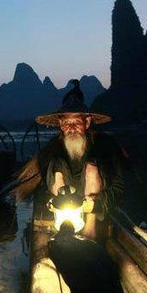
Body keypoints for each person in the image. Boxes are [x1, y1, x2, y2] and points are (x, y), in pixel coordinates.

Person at [17, 88, 128, 240]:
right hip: (65, 202)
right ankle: (63, 232)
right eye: (66, 123)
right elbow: (42, 187)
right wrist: (50, 200)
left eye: (76, 122)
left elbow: (119, 186)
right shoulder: (52, 150)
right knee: (57, 166)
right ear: (60, 124)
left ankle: (90, 234)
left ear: (87, 122)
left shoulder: (104, 147)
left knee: (91, 168)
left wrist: (97, 203)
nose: (71, 128)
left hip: (92, 203)